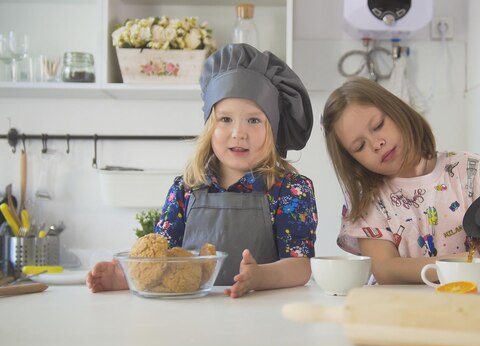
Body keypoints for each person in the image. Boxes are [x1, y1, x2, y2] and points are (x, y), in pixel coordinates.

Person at [87, 43, 317, 298]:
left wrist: (259, 277)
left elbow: (300, 266)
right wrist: (124, 276)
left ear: (273, 130)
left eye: (254, 120)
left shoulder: (290, 190)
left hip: (262, 314)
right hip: (192, 318)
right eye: (225, 119)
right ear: (209, 127)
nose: (238, 132)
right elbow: (162, 257)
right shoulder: (185, 189)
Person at [321, 76, 480, 285]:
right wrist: (469, 263)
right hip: (405, 317)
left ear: (397, 112)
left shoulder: (470, 170)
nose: (377, 144)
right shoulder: (368, 201)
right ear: (353, 160)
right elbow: (386, 270)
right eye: (360, 145)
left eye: (378, 125)